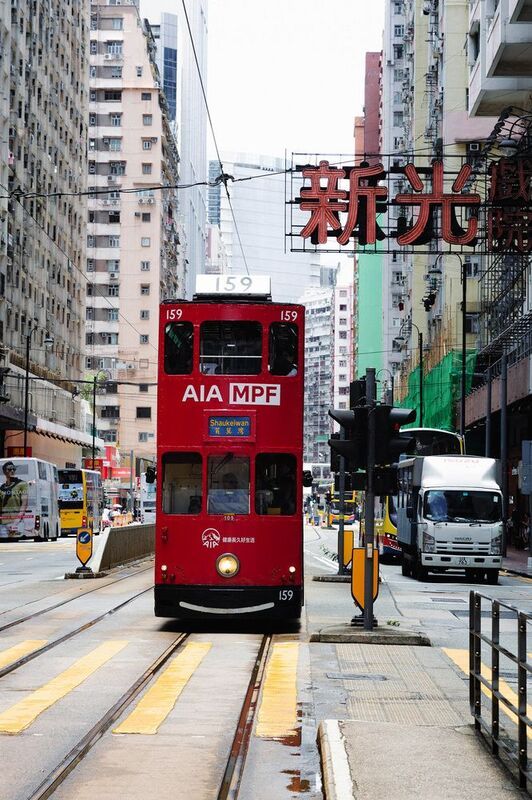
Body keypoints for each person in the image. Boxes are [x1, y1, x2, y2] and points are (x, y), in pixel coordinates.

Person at [0, 461, 29, 538]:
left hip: (15, 522)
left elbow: (24, 505)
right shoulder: (2, 487)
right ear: (4, 471)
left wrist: (15, 523)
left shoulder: (22, 484)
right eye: (9, 469)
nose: (12, 471)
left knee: (14, 541)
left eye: (13, 469)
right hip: (2, 523)